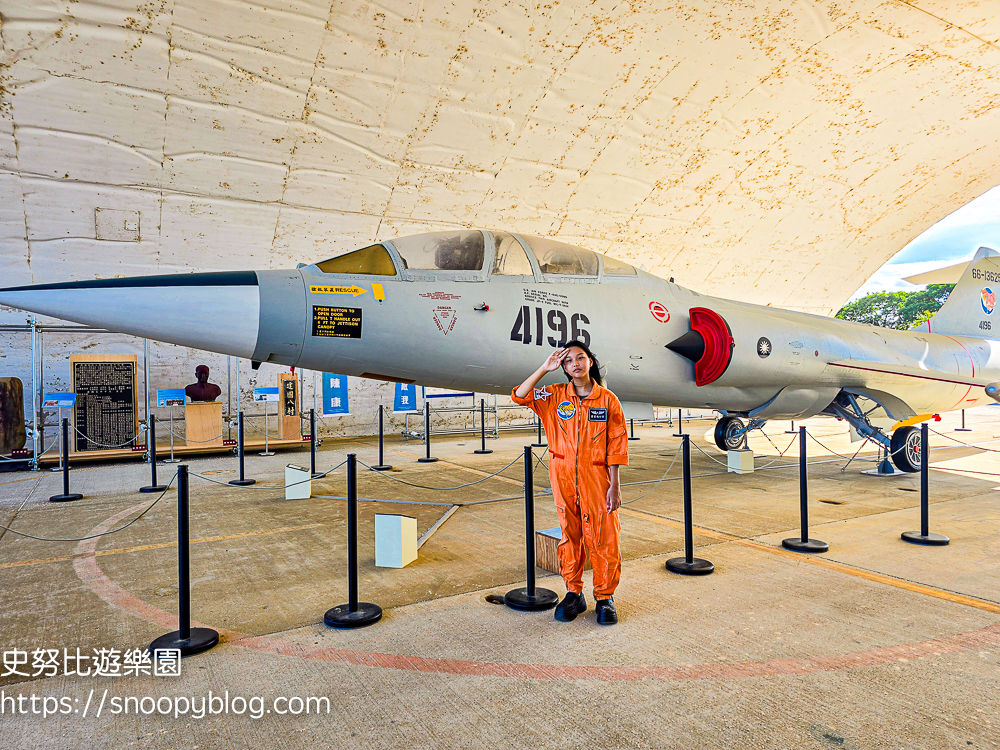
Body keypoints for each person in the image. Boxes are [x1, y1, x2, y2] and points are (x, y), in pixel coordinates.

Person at [511, 340, 628, 625]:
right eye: (568, 361)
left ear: (590, 361)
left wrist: (615, 484)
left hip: (597, 478)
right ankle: (574, 592)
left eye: (580, 357)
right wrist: (544, 367)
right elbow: (520, 395)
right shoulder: (553, 395)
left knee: (603, 536)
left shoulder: (608, 400)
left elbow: (616, 444)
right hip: (562, 475)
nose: (575, 363)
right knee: (570, 535)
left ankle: (604, 597)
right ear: (563, 367)